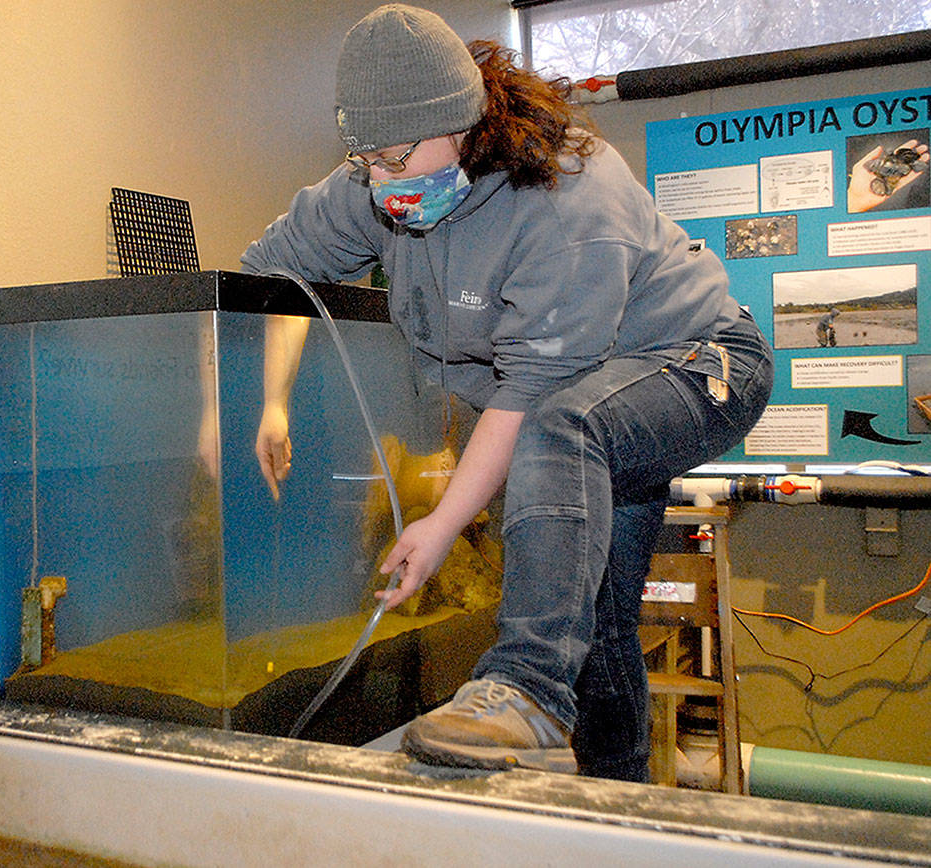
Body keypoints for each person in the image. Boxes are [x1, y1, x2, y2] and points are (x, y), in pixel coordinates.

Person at [240, 4, 772, 781]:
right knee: (597, 624)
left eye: (396, 158)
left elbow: (530, 402)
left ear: (462, 123)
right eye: (366, 163)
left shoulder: (567, 194)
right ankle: (618, 807)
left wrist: (444, 522)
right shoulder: (378, 184)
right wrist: (272, 402)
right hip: (577, 404)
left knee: (565, 427)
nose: (383, 184)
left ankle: (525, 687)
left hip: (700, 365)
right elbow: (277, 277)